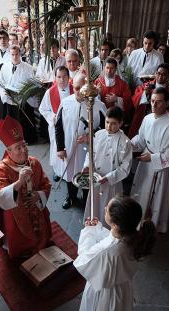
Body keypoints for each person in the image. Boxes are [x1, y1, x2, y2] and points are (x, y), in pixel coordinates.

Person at [74, 196, 155, 311]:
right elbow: (111, 239)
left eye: (107, 210)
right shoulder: (132, 237)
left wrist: (89, 232)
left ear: (115, 224)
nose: (105, 208)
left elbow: (84, 259)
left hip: (105, 296)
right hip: (122, 291)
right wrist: (98, 229)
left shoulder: (107, 253)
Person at [0, 116, 52, 259]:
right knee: (20, 252)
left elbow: (45, 184)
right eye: (18, 148)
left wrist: (39, 195)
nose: (24, 150)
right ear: (9, 152)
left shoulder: (34, 163)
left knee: (42, 238)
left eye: (24, 145)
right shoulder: (0, 170)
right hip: (15, 216)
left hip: (37, 210)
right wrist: (18, 183)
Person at [130, 87, 169, 233]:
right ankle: (137, 218)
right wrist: (128, 145)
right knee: (140, 190)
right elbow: (140, 140)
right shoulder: (147, 118)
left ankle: (151, 225)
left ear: (167, 103)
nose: (154, 105)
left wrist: (152, 158)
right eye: (152, 101)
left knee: (155, 196)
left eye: (158, 102)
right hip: (145, 164)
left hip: (159, 168)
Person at [55, 73, 107, 209]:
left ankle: (86, 200)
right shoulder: (66, 103)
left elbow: (105, 130)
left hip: (88, 150)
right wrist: (60, 148)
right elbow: (58, 126)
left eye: (82, 88)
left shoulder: (98, 105)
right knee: (70, 173)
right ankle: (71, 197)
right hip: (70, 146)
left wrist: (90, 136)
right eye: (76, 88)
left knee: (86, 173)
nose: (79, 92)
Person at [82, 107, 132, 221]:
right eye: (107, 122)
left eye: (114, 123)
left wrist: (108, 178)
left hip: (111, 183)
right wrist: (87, 166)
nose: (109, 126)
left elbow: (125, 167)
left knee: (109, 208)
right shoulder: (99, 134)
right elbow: (91, 153)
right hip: (95, 178)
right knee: (94, 205)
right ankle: (92, 225)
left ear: (121, 123)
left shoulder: (125, 142)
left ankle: (106, 229)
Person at [0, 45, 38, 143]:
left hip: (24, 100)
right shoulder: (5, 67)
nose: (15, 57)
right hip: (11, 100)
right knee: (13, 122)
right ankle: (15, 139)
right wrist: (5, 95)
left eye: (17, 54)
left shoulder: (28, 67)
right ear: (9, 55)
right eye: (12, 55)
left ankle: (28, 138)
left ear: (20, 54)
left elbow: (32, 83)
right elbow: (1, 82)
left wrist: (24, 94)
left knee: (25, 121)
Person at [39, 66, 73, 181]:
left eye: (64, 77)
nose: (62, 80)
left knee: (69, 147)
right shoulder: (50, 92)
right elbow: (43, 109)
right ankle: (58, 171)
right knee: (56, 148)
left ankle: (70, 170)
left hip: (70, 127)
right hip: (55, 127)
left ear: (69, 77)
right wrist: (52, 117)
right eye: (59, 77)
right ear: (55, 78)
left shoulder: (75, 90)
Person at [128, 63, 169, 138]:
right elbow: (134, 100)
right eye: (158, 73)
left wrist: (159, 116)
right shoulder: (146, 86)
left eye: (164, 74)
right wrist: (145, 93)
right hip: (142, 118)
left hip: (161, 121)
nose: (160, 76)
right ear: (155, 73)